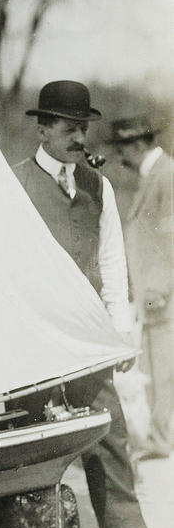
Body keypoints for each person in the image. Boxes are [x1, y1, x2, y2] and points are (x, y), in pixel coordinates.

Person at [12, 80, 174, 528]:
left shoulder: (96, 183)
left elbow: (110, 259)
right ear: (43, 130)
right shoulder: (15, 184)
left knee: (109, 425)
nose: (79, 138)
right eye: (69, 127)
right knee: (30, 437)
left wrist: (120, 329)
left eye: (83, 128)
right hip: (34, 333)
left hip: (87, 334)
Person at [110, 115, 174, 458]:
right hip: (153, 292)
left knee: (162, 367)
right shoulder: (153, 176)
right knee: (153, 365)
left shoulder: (167, 175)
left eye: (123, 150)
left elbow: (171, 234)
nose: (121, 159)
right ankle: (157, 437)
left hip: (163, 294)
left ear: (137, 145)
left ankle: (162, 440)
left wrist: (159, 289)